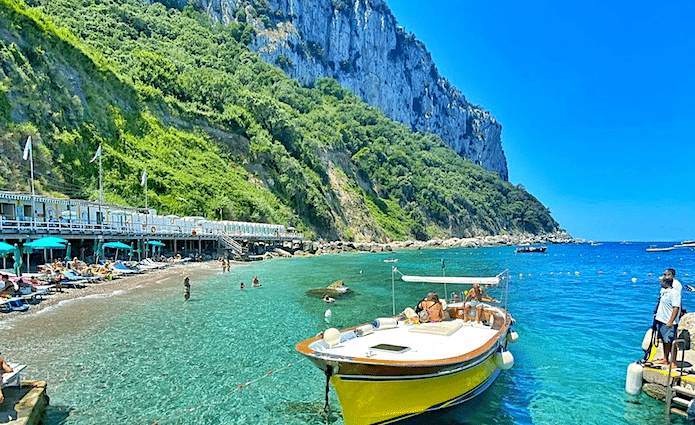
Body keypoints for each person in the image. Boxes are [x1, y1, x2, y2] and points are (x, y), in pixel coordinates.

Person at [653, 275, 681, 368]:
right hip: (661, 320)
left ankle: (674, 362)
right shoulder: (664, 292)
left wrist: (671, 321)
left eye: (662, 282)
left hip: (668, 321)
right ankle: (665, 359)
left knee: (671, 341)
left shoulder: (674, 293)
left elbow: (676, 308)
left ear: (666, 283)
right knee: (664, 341)